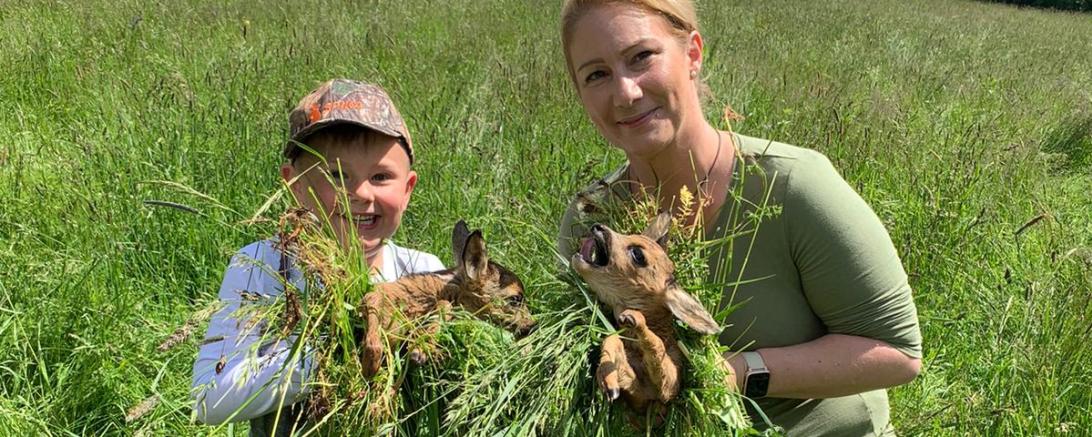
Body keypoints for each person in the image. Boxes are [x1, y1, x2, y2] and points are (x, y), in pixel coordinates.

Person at [555, 1, 922, 435]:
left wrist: (738, 372)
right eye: (596, 75)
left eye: (641, 57)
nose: (625, 93)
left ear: (692, 54)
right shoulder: (591, 222)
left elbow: (897, 353)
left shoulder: (792, 186)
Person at [191, 79, 444, 436]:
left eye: (381, 176)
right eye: (337, 175)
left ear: (407, 189)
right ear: (294, 185)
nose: (361, 193)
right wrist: (331, 350)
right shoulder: (262, 268)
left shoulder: (424, 273)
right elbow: (208, 399)